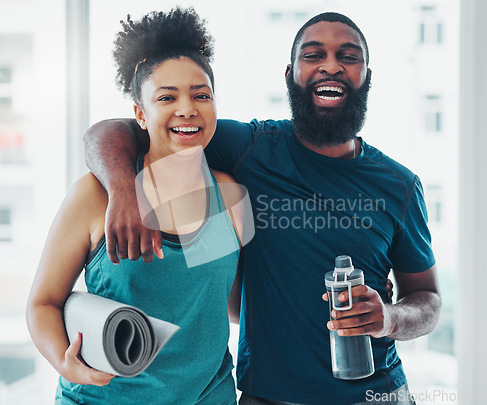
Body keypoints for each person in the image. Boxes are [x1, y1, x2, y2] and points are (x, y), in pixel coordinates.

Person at [83, 12, 441, 405]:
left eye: (349, 56)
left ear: (366, 77)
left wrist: (389, 318)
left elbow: (427, 299)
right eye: (313, 54)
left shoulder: (399, 185)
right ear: (290, 75)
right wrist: (123, 190)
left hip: (378, 393)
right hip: (267, 397)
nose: (331, 65)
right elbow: (116, 131)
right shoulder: (248, 149)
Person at [26, 7, 246, 405]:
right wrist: (64, 362)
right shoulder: (94, 197)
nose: (187, 108)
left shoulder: (228, 197)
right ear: (140, 115)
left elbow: (222, 306)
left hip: (208, 397)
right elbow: (44, 303)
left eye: (202, 95)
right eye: (167, 97)